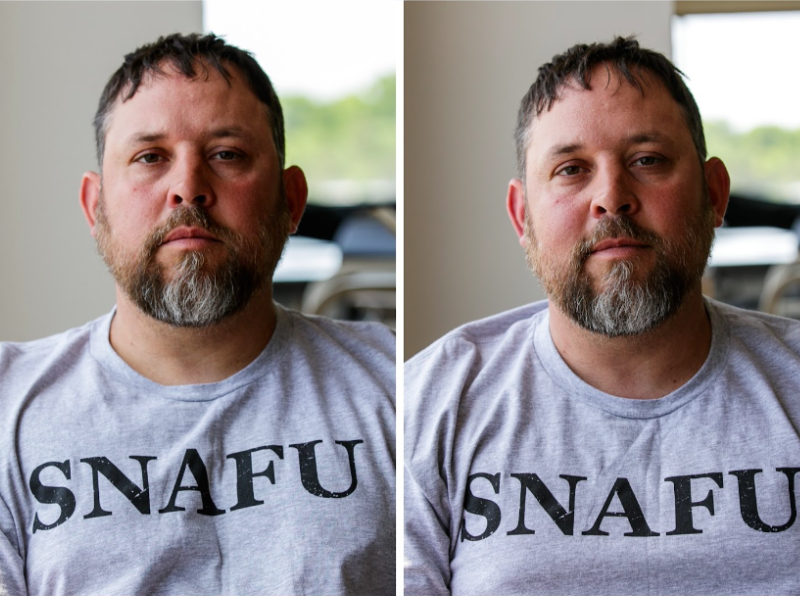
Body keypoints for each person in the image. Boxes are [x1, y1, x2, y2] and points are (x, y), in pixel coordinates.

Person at [0, 33, 395, 596]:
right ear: (96, 207)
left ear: (292, 201)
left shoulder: (395, 386)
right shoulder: (9, 404)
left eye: (226, 154)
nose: (188, 188)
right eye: (149, 158)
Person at [404, 36, 800, 595]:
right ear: (523, 218)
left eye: (648, 160)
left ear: (714, 194)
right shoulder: (429, 404)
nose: (612, 197)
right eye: (570, 169)